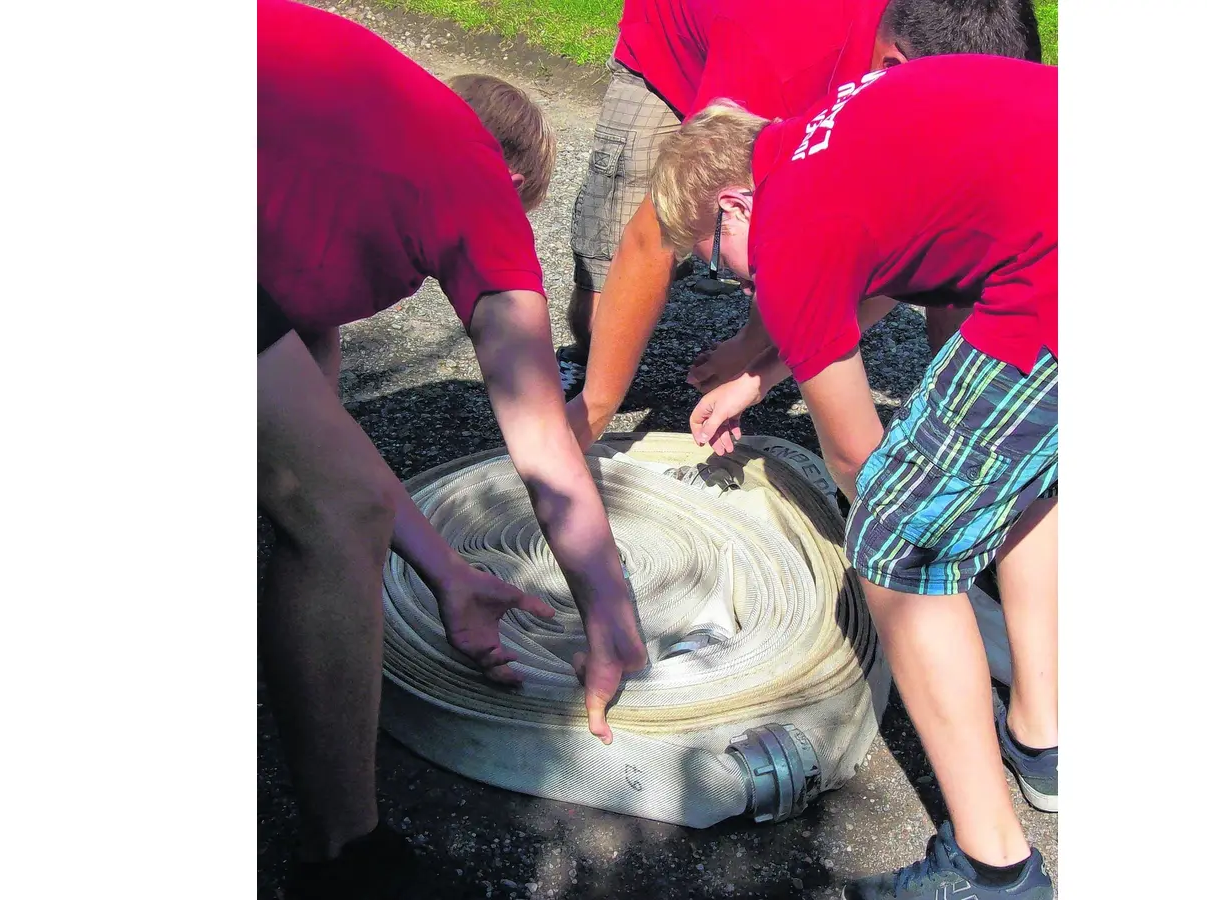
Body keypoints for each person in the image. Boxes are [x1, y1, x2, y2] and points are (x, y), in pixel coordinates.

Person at [257, 1, 646, 894]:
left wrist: (446, 571)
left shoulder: (339, 147)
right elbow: (540, 426)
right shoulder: (475, 181)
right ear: (512, 180)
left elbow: (327, 451)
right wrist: (609, 609)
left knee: (328, 495)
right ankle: (347, 862)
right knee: (336, 513)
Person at [649, 54, 1057, 899]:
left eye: (718, 262)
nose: (737, 282)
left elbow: (855, 454)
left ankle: (994, 869)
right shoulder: (823, 131)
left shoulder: (789, 230)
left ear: (733, 205)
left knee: (898, 538)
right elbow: (872, 264)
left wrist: (922, 526)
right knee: (1023, 470)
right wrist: (760, 375)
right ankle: (1045, 738)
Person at [563, 0, 1043, 449]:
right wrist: (592, 412)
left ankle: (960, 423)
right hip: (675, 46)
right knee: (603, 306)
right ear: (890, 68)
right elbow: (651, 239)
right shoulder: (783, 59)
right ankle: (589, 384)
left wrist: (755, 357)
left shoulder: (982, 37)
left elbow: (920, 246)